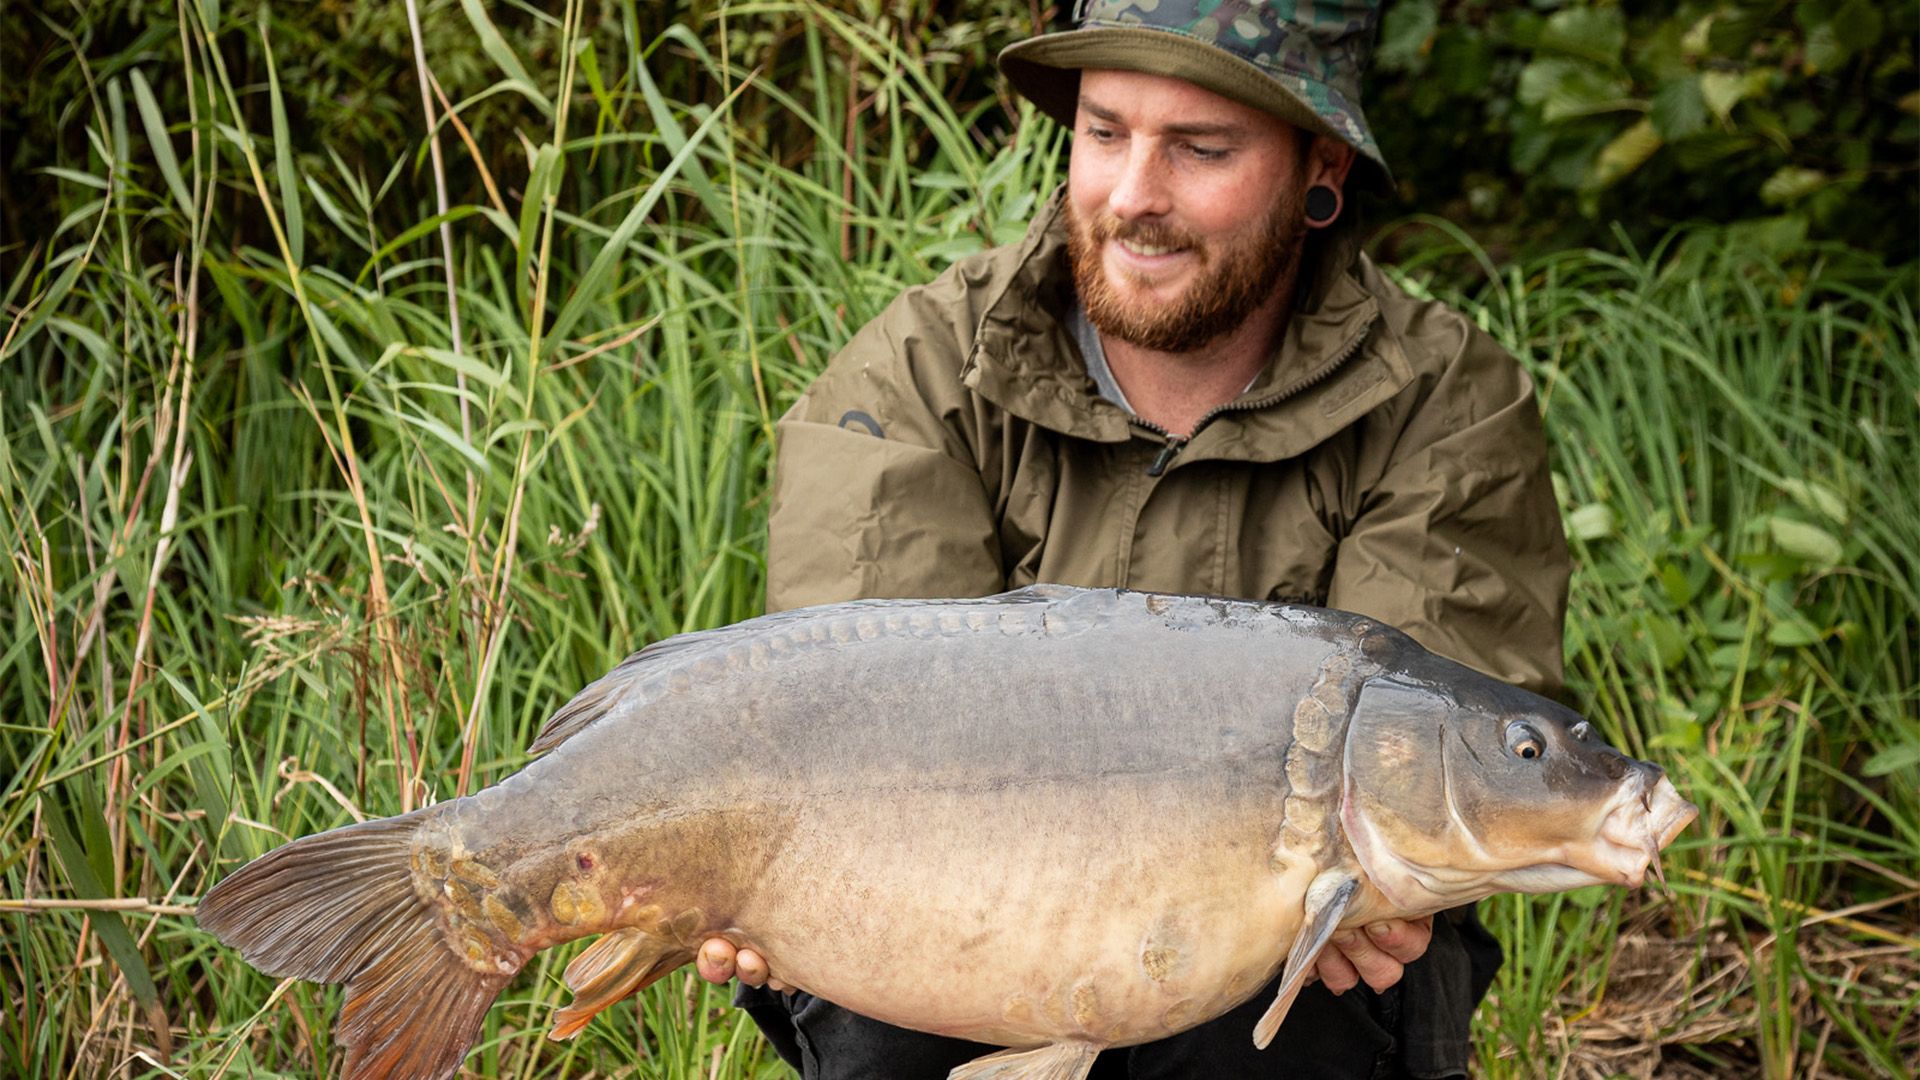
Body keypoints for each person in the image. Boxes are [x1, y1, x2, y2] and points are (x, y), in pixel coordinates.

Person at [697, 1, 1569, 1076]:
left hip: (1279, 941)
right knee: (876, 996)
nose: (1134, 197)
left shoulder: (1443, 401)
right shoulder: (917, 372)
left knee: (1299, 968)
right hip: (956, 885)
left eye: (1202, 149)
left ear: (1319, 167)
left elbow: (1427, 775)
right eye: (1105, 132)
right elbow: (866, 724)